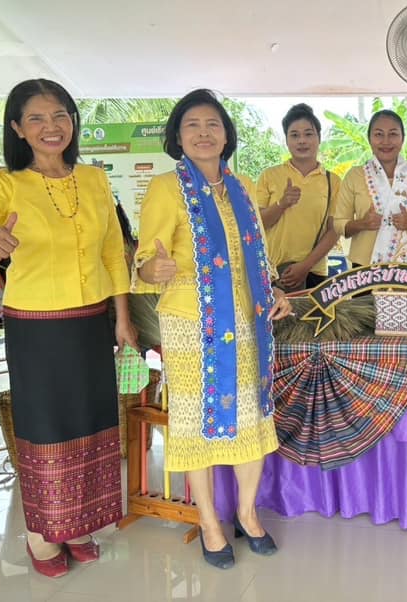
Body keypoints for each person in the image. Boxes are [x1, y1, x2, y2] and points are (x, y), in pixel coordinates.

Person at [0, 79, 136, 578]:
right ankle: (42, 536)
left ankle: (78, 525)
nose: (51, 127)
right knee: (47, 431)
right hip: (38, 329)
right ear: (17, 129)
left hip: (92, 322)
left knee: (91, 425)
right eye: (37, 119)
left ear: (73, 122)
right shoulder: (4, 184)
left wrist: (123, 317)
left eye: (60, 116)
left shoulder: (93, 179)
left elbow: (113, 250)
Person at [133, 89, 293, 569]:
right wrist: (149, 271)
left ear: (227, 134)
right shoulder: (166, 187)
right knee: (197, 426)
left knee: (251, 417)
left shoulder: (241, 184)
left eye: (213, 125)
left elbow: (258, 256)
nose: (204, 134)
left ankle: (246, 513)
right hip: (191, 328)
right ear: (177, 137)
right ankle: (209, 522)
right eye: (192, 126)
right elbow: (145, 258)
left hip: (247, 324)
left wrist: (276, 292)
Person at [333, 109, 407, 267]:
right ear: (369, 139)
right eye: (379, 134)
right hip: (364, 269)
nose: (386, 141)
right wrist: (363, 223)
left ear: (402, 139)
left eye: (393, 134)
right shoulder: (354, 176)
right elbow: (339, 224)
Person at [257, 103, 341, 291]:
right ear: (286, 141)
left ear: (319, 138)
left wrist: (306, 265)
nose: (302, 141)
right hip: (272, 272)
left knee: (312, 321)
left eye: (308, 134)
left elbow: (334, 231)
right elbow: (258, 224)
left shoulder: (333, 181)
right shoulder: (269, 176)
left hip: (314, 273)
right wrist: (282, 204)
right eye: (294, 135)